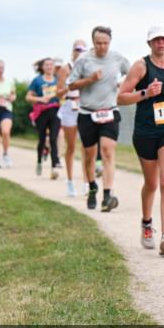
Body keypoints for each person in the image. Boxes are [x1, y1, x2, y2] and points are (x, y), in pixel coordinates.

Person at [117, 26, 164, 257]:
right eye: (156, 40)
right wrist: (146, 93)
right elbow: (120, 97)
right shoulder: (141, 66)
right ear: (149, 43)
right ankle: (147, 224)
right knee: (151, 184)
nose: (160, 43)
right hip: (146, 131)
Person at [66, 25, 130, 212]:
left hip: (110, 110)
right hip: (87, 113)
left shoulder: (117, 58)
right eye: (98, 43)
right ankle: (93, 187)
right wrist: (89, 80)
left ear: (110, 42)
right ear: (93, 42)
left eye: (106, 43)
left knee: (108, 150)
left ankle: (108, 194)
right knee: (90, 155)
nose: (102, 47)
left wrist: (123, 85)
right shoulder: (84, 60)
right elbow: (70, 86)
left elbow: (133, 74)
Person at [58, 41, 88, 197]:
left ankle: (86, 183)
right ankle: (70, 181)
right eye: (78, 49)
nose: (81, 51)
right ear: (73, 51)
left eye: (84, 49)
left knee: (86, 146)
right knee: (71, 147)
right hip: (70, 107)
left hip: (85, 106)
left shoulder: (89, 67)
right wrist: (69, 88)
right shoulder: (66, 68)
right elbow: (58, 92)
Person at [26, 57, 62, 178]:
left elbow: (63, 93)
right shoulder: (37, 81)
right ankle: (39, 161)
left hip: (55, 110)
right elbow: (28, 97)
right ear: (42, 67)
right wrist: (40, 99)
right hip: (41, 112)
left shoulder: (58, 80)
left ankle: (54, 167)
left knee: (53, 139)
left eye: (51, 65)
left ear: (54, 67)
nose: (49, 67)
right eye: (46, 65)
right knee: (42, 140)